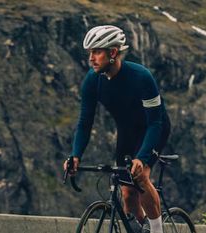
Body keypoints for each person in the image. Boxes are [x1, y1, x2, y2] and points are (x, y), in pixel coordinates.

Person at [64, 25, 171, 233]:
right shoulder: (92, 81)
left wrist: (141, 158)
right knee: (128, 193)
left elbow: (155, 123)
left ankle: (157, 230)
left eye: (97, 52)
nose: (91, 58)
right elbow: (85, 122)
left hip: (154, 128)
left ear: (112, 52)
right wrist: (76, 155)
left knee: (140, 177)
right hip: (127, 133)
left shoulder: (141, 77)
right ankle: (141, 228)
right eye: (90, 53)